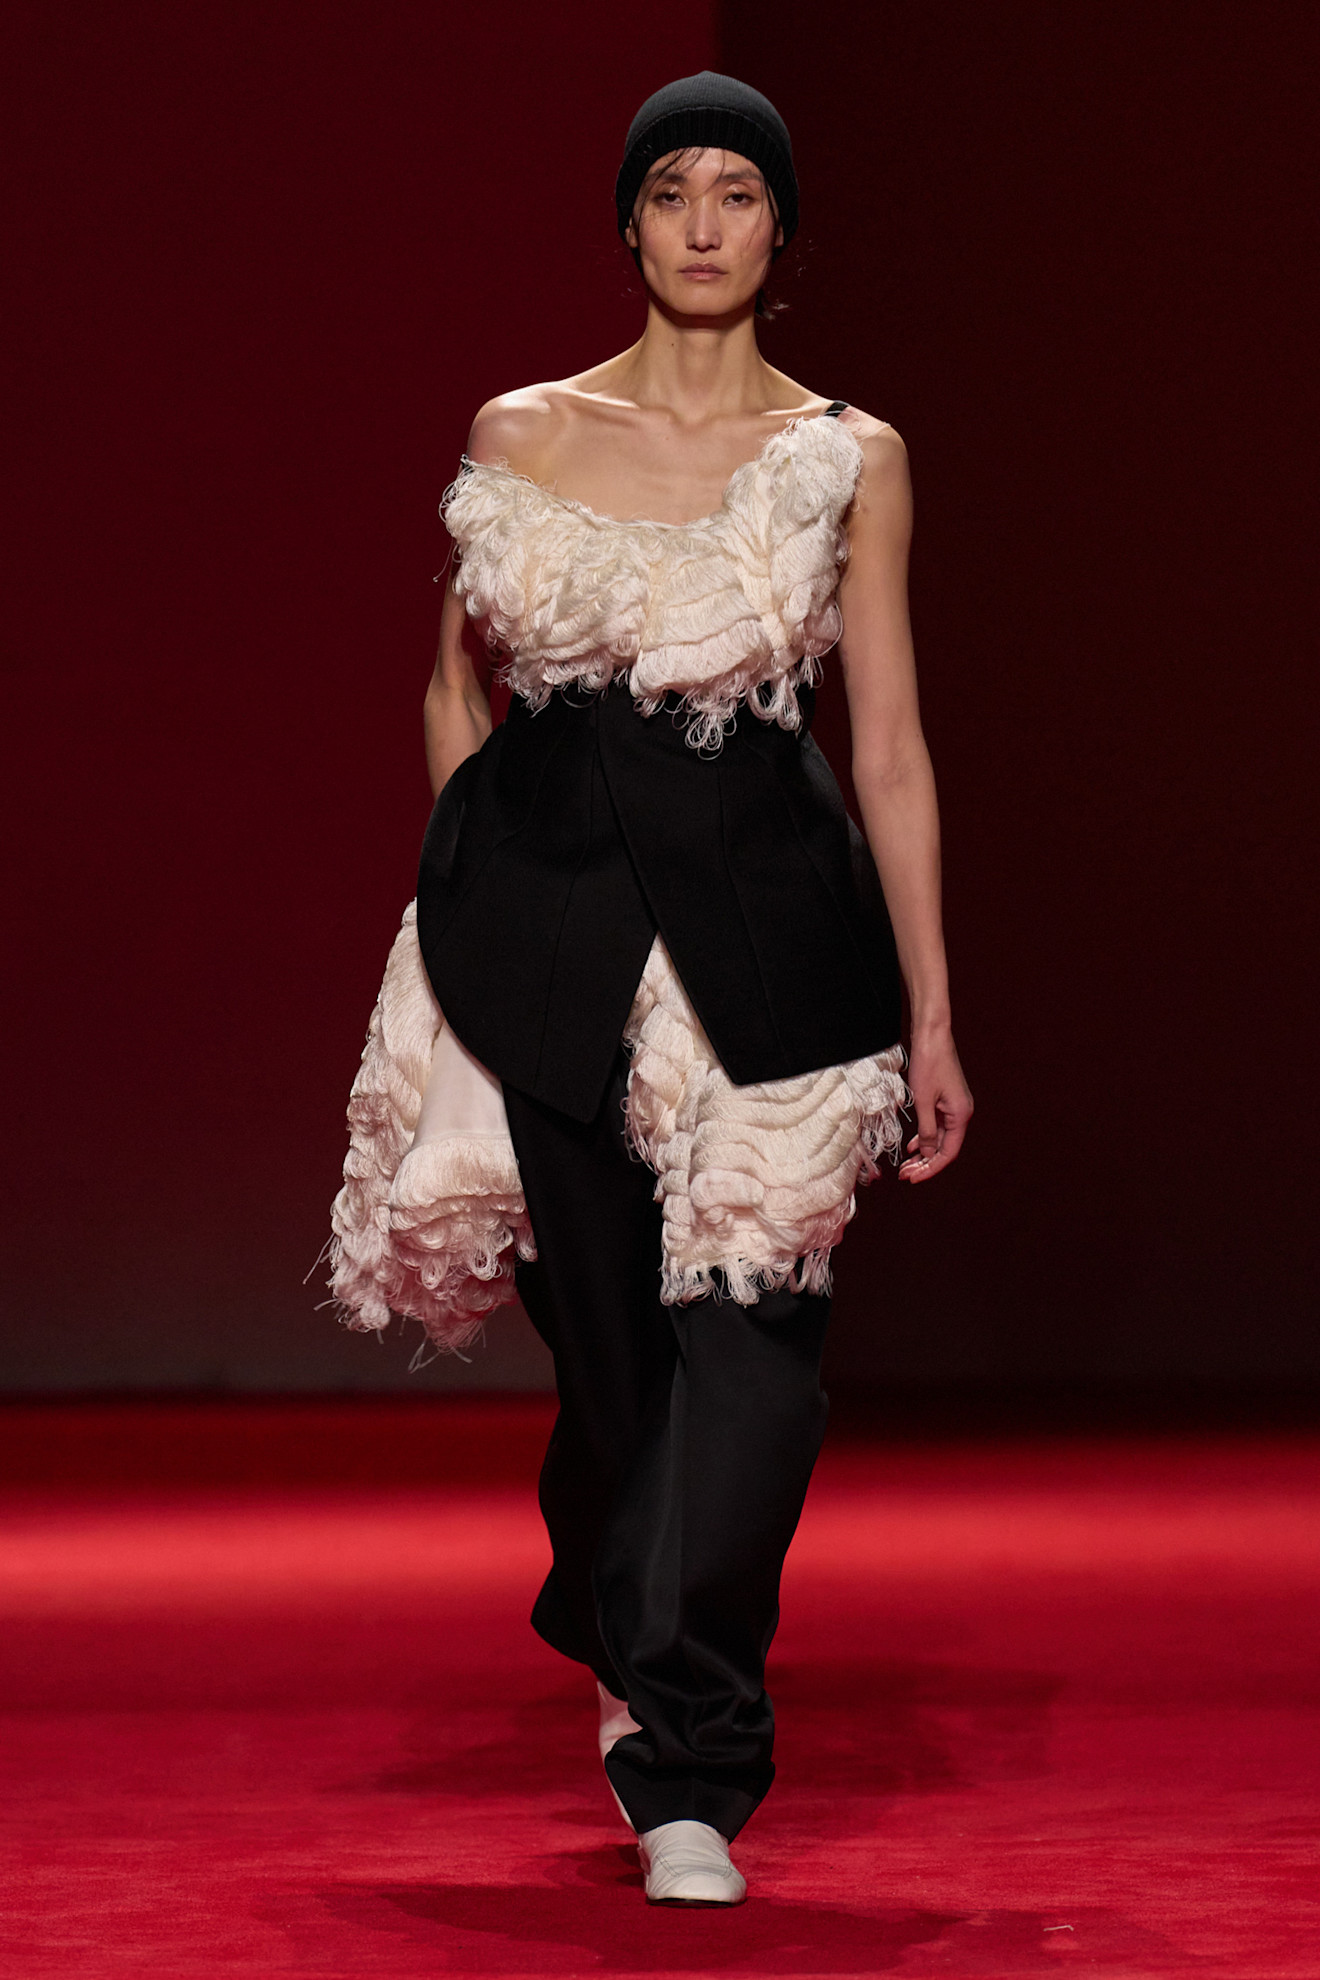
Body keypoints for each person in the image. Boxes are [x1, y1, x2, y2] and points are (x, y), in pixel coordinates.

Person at [329, 70, 972, 1907]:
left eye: (739, 191)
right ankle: (618, 1610)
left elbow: (899, 745)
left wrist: (930, 1012)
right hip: (548, 922)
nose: (704, 221)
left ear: (782, 227)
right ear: (629, 220)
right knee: (612, 1363)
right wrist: (469, 890)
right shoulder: (523, 432)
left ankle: (692, 1753)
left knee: (755, 1351)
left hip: (776, 921)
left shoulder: (856, 453)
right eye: (671, 189)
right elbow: (452, 680)